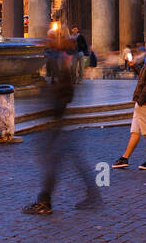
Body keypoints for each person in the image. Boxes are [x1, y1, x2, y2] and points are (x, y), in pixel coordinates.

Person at [23, 38, 103, 215]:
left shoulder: (62, 63)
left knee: (53, 162)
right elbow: (66, 92)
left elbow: (65, 93)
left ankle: (45, 202)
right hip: (61, 122)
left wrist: (51, 105)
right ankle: (92, 193)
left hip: (59, 122)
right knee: (70, 160)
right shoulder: (62, 62)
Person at [113, 34, 146, 171]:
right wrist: (134, 67)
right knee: (135, 131)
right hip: (142, 101)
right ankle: (125, 158)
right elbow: (144, 77)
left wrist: (141, 101)